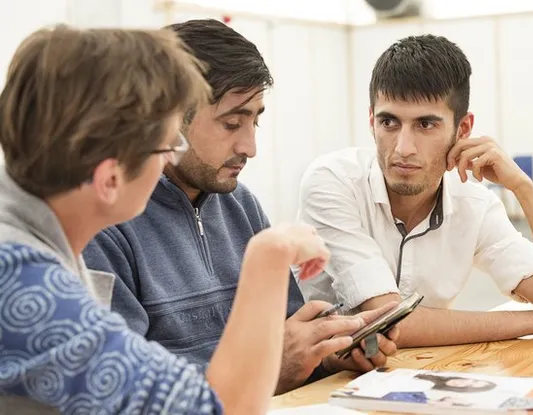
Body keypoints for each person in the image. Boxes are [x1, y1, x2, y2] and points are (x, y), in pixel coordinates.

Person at [0, 24, 334, 414]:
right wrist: (270, 253)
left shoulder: (32, 246)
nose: (170, 158)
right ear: (110, 178)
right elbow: (207, 410)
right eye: (167, 144)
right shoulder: (21, 279)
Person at [83, 18, 399, 395]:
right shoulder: (104, 225)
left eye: (254, 122)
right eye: (231, 123)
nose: (249, 147)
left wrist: (328, 352)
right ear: (164, 121)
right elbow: (122, 394)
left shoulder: (241, 205)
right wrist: (266, 369)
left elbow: (288, 339)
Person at [296, 34, 533, 348]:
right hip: (315, 385)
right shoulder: (332, 182)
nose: (403, 148)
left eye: (426, 124)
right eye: (389, 123)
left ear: (462, 129)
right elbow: (388, 320)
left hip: (413, 377)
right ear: (372, 121)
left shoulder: (474, 203)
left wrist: (525, 191)